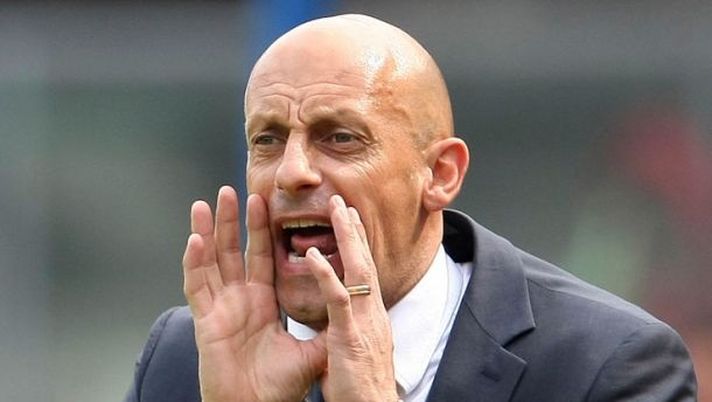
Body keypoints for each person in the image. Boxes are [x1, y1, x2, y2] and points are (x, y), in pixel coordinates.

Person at [124, 14, 697, 402]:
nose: (291, 171)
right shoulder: (184, 356)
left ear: (440, 174)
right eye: (268, 140)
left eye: (340, 138)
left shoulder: (606, 366)